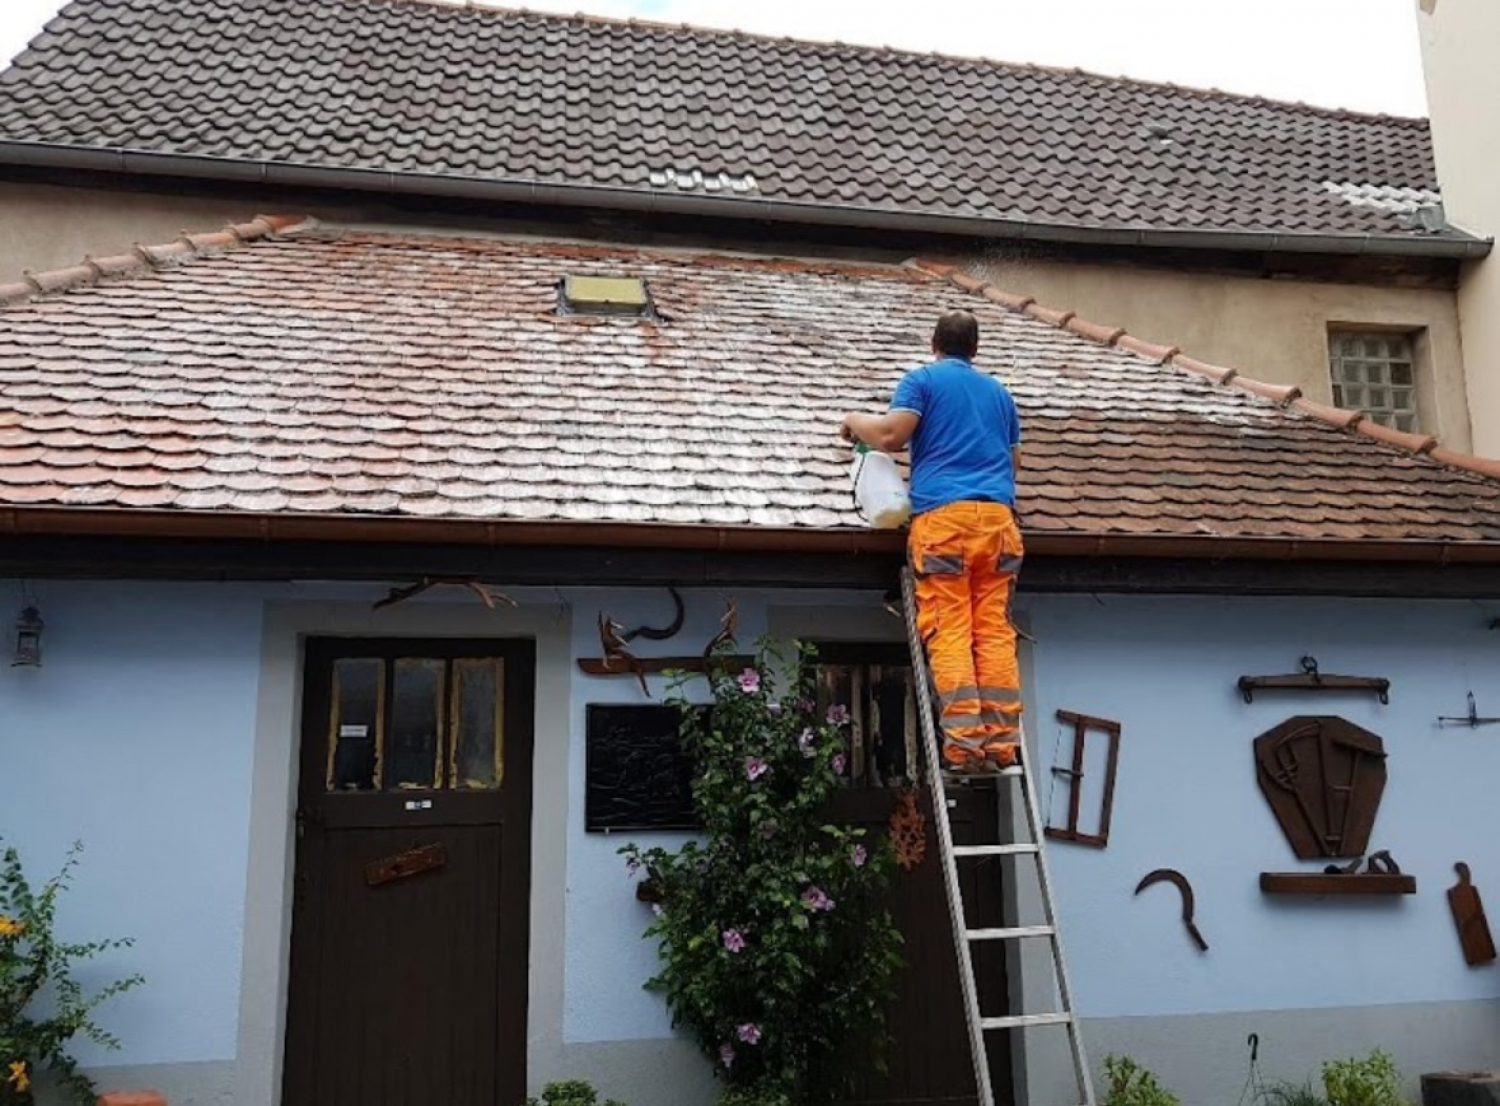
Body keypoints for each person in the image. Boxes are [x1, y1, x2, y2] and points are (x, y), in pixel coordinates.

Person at [841, 309, 1024, 773]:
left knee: (951, 628)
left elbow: (890, 436)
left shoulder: (922, 381)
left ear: (934, 344)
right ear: (975, 349)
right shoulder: (1000, 395)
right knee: (993, 630)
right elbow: (1012, 465)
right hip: (998, 523)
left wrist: (852, 420)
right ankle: (1001, 745)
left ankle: (964, 746)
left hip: (946, 523)